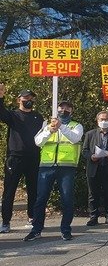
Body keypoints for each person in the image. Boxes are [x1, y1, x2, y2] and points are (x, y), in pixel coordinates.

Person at [24, 101, 83, 241]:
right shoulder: (46, 125)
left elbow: (75, 138)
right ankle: (36, 229)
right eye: (61, 108)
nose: (64, 110)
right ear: (57, 110)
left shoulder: (76, 125)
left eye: (67, 108)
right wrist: (50, 130)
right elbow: (37, 142)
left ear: (72, 111)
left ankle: (65, 229)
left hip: (66, 167)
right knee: (41, 199)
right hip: (46, 166)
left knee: (67, 199)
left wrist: (61, 127)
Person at [0, 85, 44, 233]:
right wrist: (1, 97)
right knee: (9, 190)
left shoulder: (38, 116)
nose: (28, 100)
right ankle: (6, 221)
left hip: (33, 158)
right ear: (19, 99)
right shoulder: (13, 115)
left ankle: (32, 218)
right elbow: (1, 113)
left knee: (33, 190)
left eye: (30, 98)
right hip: (15, 158)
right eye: (26, 98)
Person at [81, 110, 108, 226]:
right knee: (93, 194)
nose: (104, 121)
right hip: (94, 168)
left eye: (106, 119)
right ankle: (93, 217)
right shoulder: (90, 134)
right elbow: (85, 151)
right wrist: (91, 156)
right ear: (97, 121)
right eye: (101, 119)